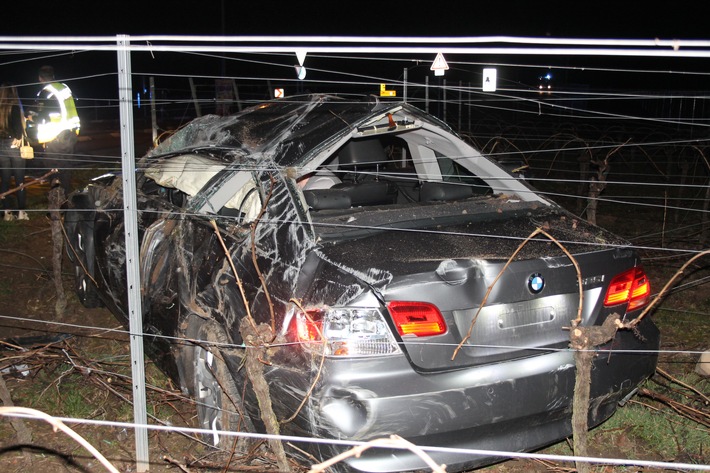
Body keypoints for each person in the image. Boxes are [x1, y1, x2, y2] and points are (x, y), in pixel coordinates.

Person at [27, 65, 80, 193]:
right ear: (53, 76)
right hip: (71, 133)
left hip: (57, 137)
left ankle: (57, 201)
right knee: (66, 168)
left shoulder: (46, 92)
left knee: (54, 170)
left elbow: (44, 116)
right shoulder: (64, 88)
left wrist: (31, 118)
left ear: (40, 78)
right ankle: (66, 200)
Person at [0, 83, 28, 221]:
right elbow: (18, 129)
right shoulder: (15, 107)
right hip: (13, 145)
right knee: (19, 179)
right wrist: (18, 136)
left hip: (1, 145)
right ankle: (21, 212)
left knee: (5, 179)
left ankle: (7, 212)